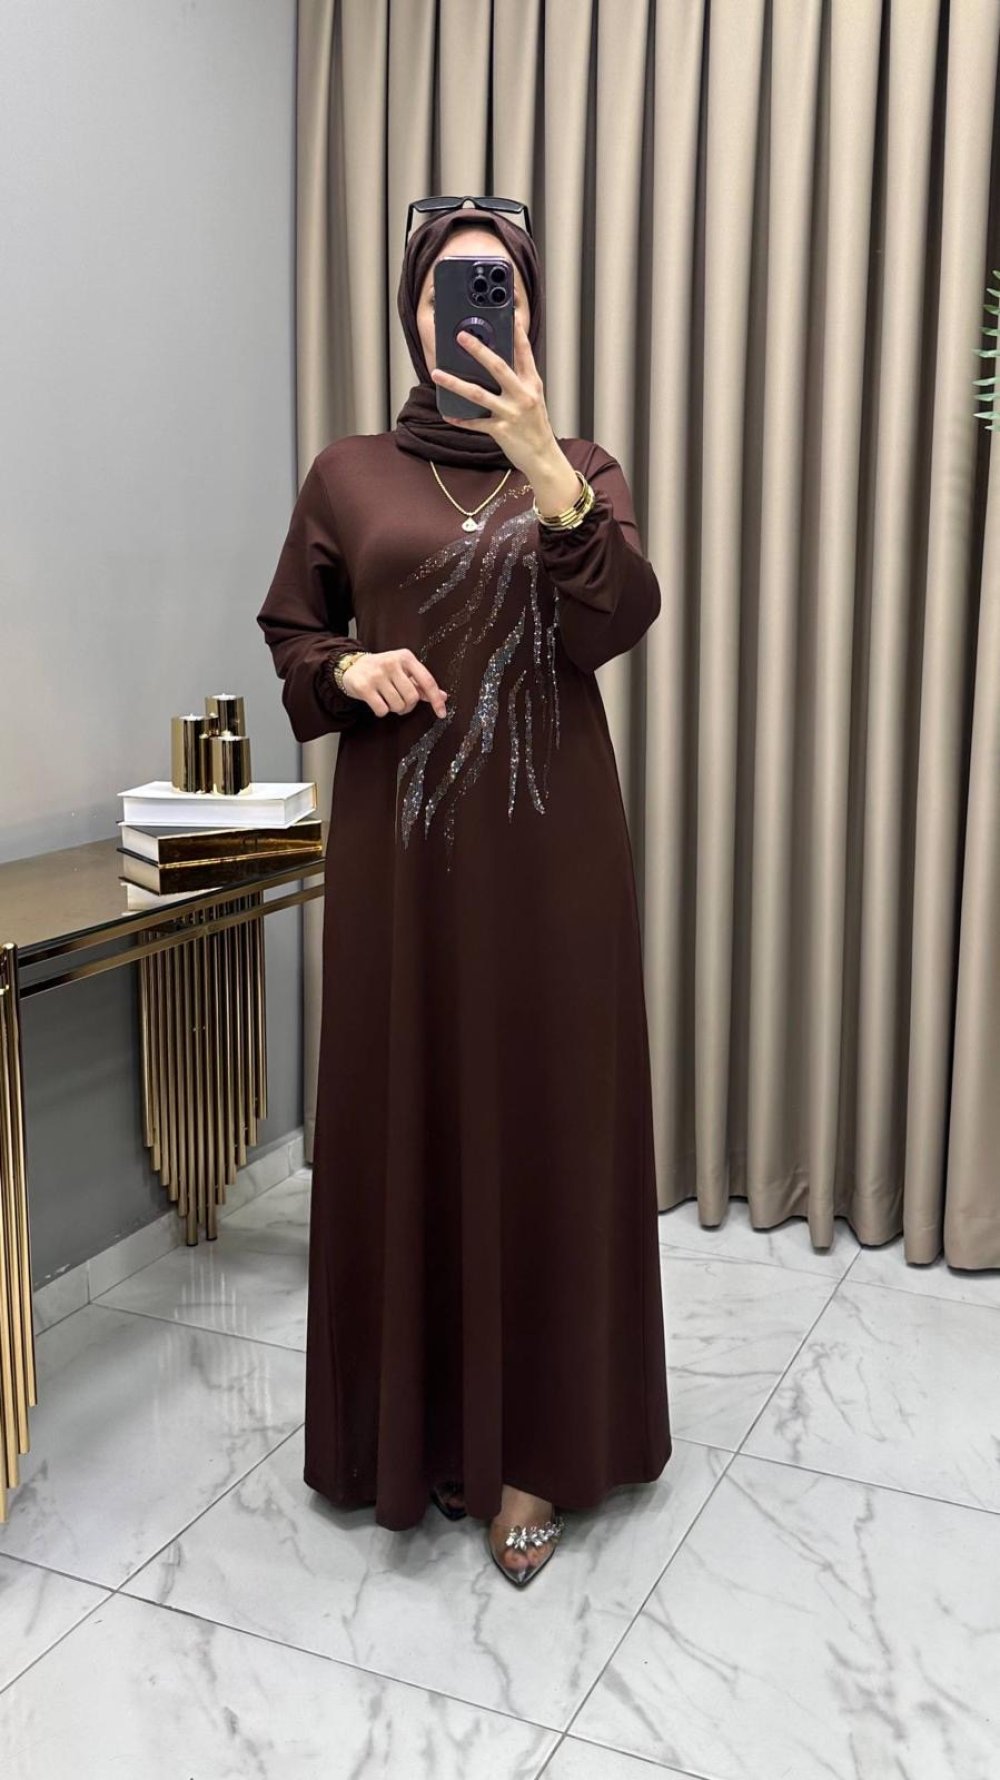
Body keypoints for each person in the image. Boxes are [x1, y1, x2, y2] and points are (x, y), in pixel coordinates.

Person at [256, 197, 671, 1589]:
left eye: (499, 287)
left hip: (552, 865)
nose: (473, 308)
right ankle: (409, 1429)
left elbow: (616, 617)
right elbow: (294, 630)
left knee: (546, 1122)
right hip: (400, 860)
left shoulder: (583, 466)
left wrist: (544, 460)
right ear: (413, 314)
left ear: (531, 317)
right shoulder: (348, 472)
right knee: (406, 1107)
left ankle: (535, 1452)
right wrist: (346, 669)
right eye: (451, 287)